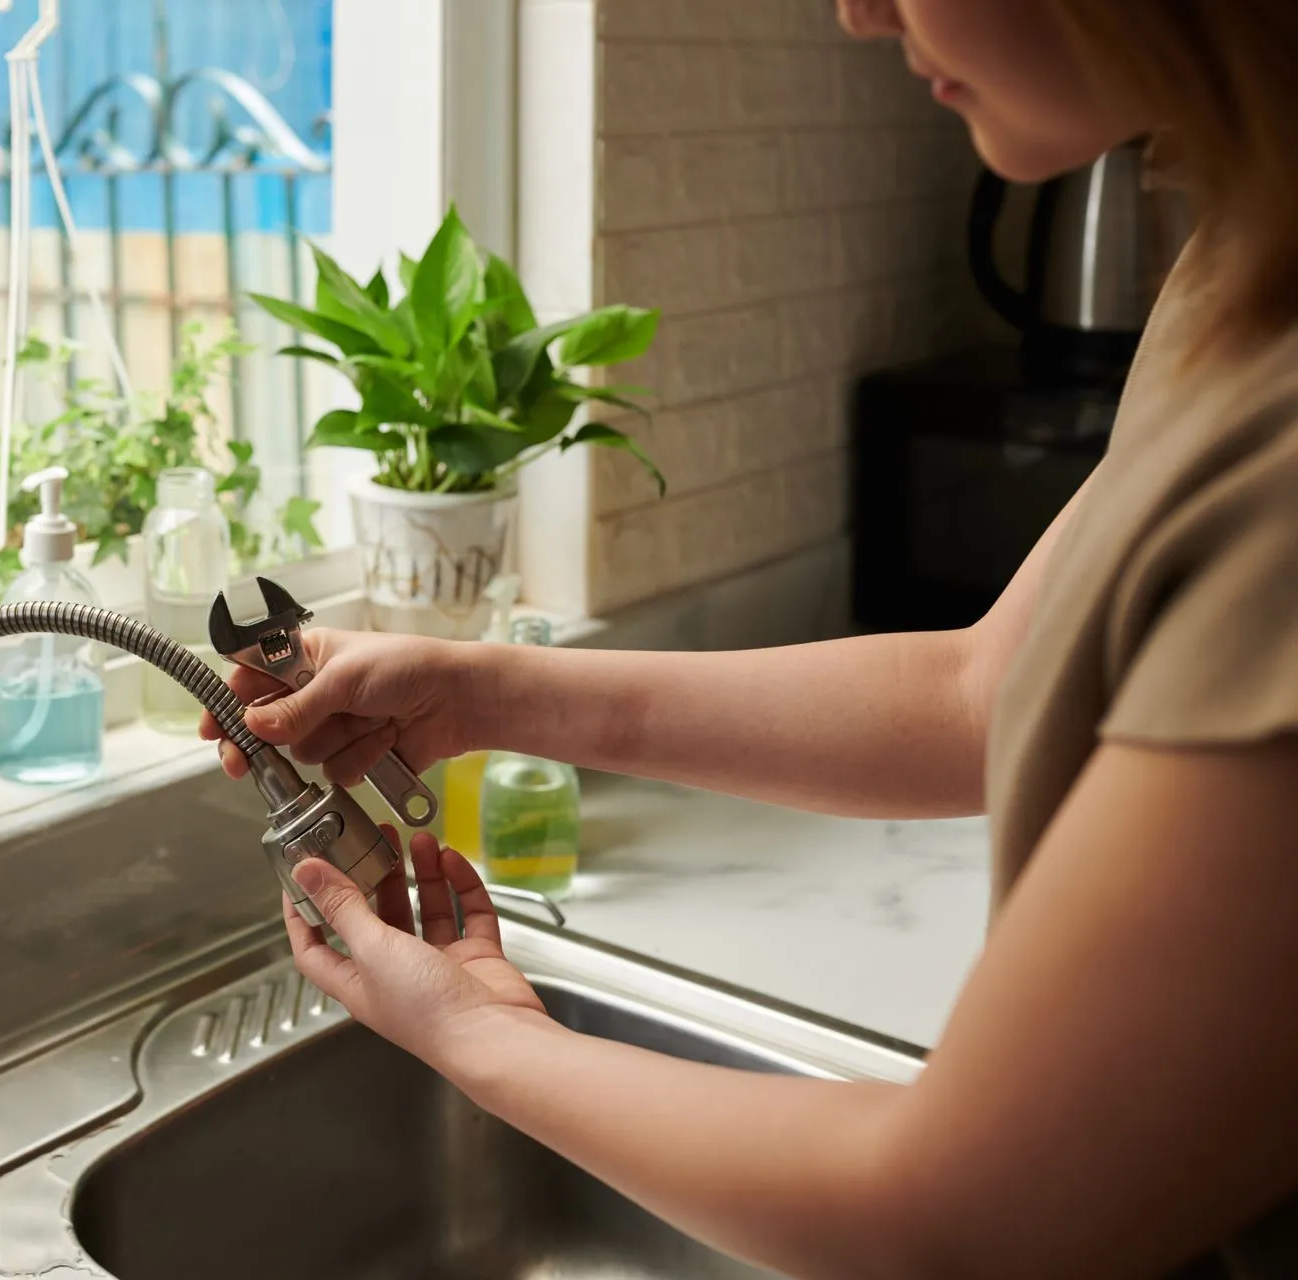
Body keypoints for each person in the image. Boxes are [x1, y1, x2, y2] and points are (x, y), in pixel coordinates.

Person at [201, 2, 1298, 1276]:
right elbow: (983, 688)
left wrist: (485, 1035)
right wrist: (480, 687)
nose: (857, 9)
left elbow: (960, 1216)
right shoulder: (1247, 253)